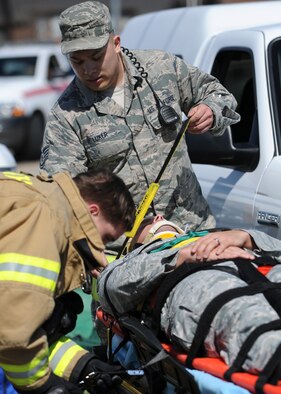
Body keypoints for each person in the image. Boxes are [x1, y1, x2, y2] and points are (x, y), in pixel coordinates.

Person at [39, 0, 241, 232]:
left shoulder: (161, 69)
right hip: (127, 250)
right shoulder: (65, 116)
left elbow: (219, 95)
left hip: (192, 228)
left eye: (96, 57)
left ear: (116, 44)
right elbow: (63, 195)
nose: (89, 69)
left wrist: (211, 111)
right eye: (78, 61)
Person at [97, 215, 281, 389]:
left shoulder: (219, 232)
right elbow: (109, 288)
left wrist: (245, 236)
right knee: (245, 317)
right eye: (143, 226)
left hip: (259, 266)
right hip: (197, 282)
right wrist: (179, 257)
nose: (157, 217)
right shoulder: (139, 257)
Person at [0, 168, 135, 394]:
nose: (100, 249)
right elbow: (13, 330)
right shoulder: (44, 216)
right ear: (93, 211)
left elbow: (28, 334)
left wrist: (83, 367)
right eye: (105, 238)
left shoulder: (42, 198)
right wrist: (43, 387)